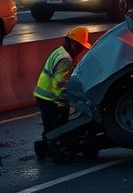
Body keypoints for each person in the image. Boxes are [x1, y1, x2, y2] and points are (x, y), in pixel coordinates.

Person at [33, 26, 91, 159]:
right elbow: (59, 85)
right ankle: (49, 149)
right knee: (56, 126)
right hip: (50, 97)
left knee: (51, 125)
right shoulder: (66, 60)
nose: (81, 50)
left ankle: (46, 148)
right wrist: (64, 104)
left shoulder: (61, 52)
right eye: (80, 47)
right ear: (73, 44)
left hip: (44, 95)